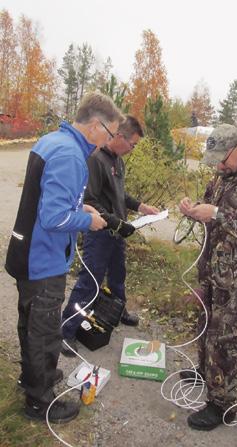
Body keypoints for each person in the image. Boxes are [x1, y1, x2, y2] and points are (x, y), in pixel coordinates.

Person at [5, 92, 123, 423]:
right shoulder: (71, 156)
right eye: (110, 133)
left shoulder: (52, 141)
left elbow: (49, 198)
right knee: (44, 331)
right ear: (96, 126)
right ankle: (39, 402)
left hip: (25, 250)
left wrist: (79, 207)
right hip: (42, 260)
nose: (109, 140)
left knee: (30, 322)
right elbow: (54, 218)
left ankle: (32, 376)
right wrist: (90, 220)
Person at [178, 124, 237, 431]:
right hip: (215, 270)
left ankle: (222, 406)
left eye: (223, 159)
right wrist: (193, 210)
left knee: (228, 337)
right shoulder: (223, 174)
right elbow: (211, 212)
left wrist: (216, 213)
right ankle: (207, 374)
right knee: (207, 324)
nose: (218, 165)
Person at [61, 115, 159, 356]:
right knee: (90, 282)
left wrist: (141, 206)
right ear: (118, 136)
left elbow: (120, 195)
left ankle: (118, 309)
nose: (132, 149)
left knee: (118, 274)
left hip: (117, 232)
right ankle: (66, 331)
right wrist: (115, 223)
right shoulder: (96, 159)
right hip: (99, 232)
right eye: (132, 144)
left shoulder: (119, 161)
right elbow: (90, 200)